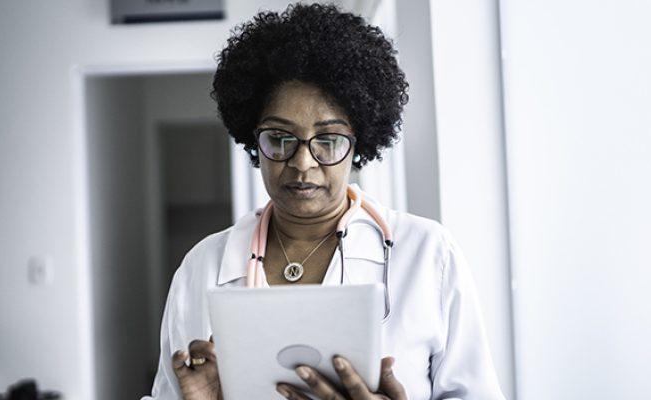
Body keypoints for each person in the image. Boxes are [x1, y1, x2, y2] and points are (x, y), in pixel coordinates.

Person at [144, 3, 505, 399]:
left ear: (358, 143)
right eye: (280, 139)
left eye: (328, 140)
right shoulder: (204, 265)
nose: (302, 163)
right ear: (254, 141)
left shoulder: (428, 254)